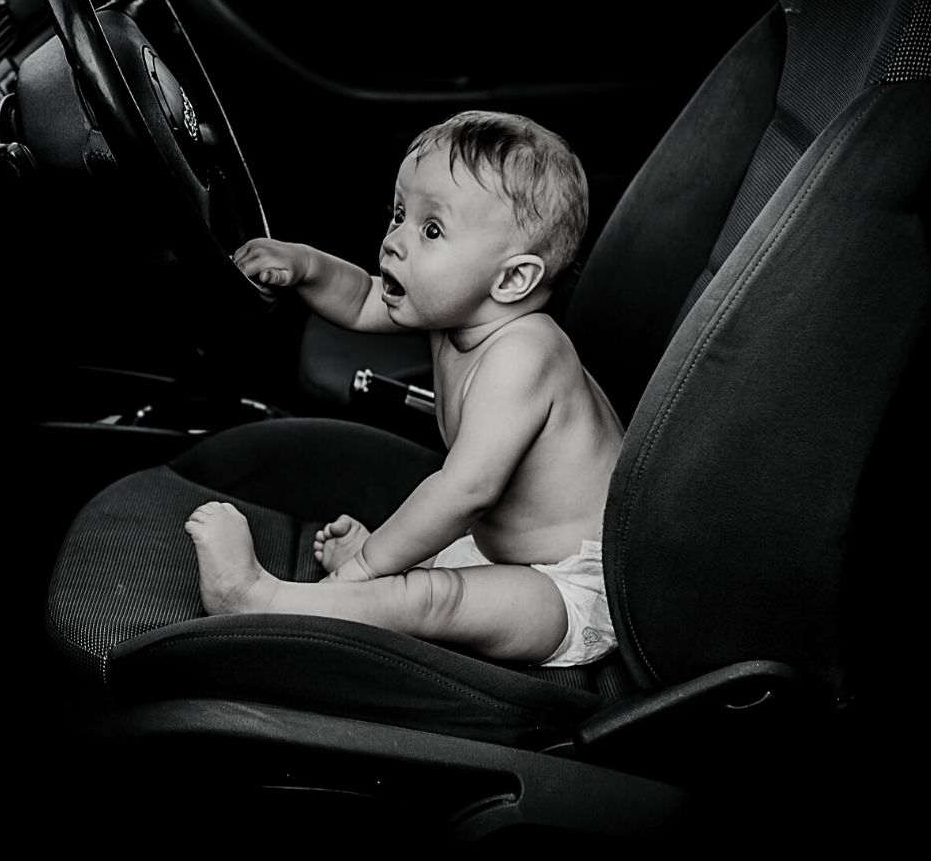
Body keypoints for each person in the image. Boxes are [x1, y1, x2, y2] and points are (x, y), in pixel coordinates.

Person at [185, 110, 623, 667]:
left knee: (430, 598)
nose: (393, 240)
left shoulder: (524, 355)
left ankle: (258, 600)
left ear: (512, 280)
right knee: (429, 570)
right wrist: (303, 266)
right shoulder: (458, 310)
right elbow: (367, 299)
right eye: (398, 213)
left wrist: (366, 565)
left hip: (572, 586)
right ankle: (364, 588)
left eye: (430, 229)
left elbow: (465, 492)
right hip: (498, 551)